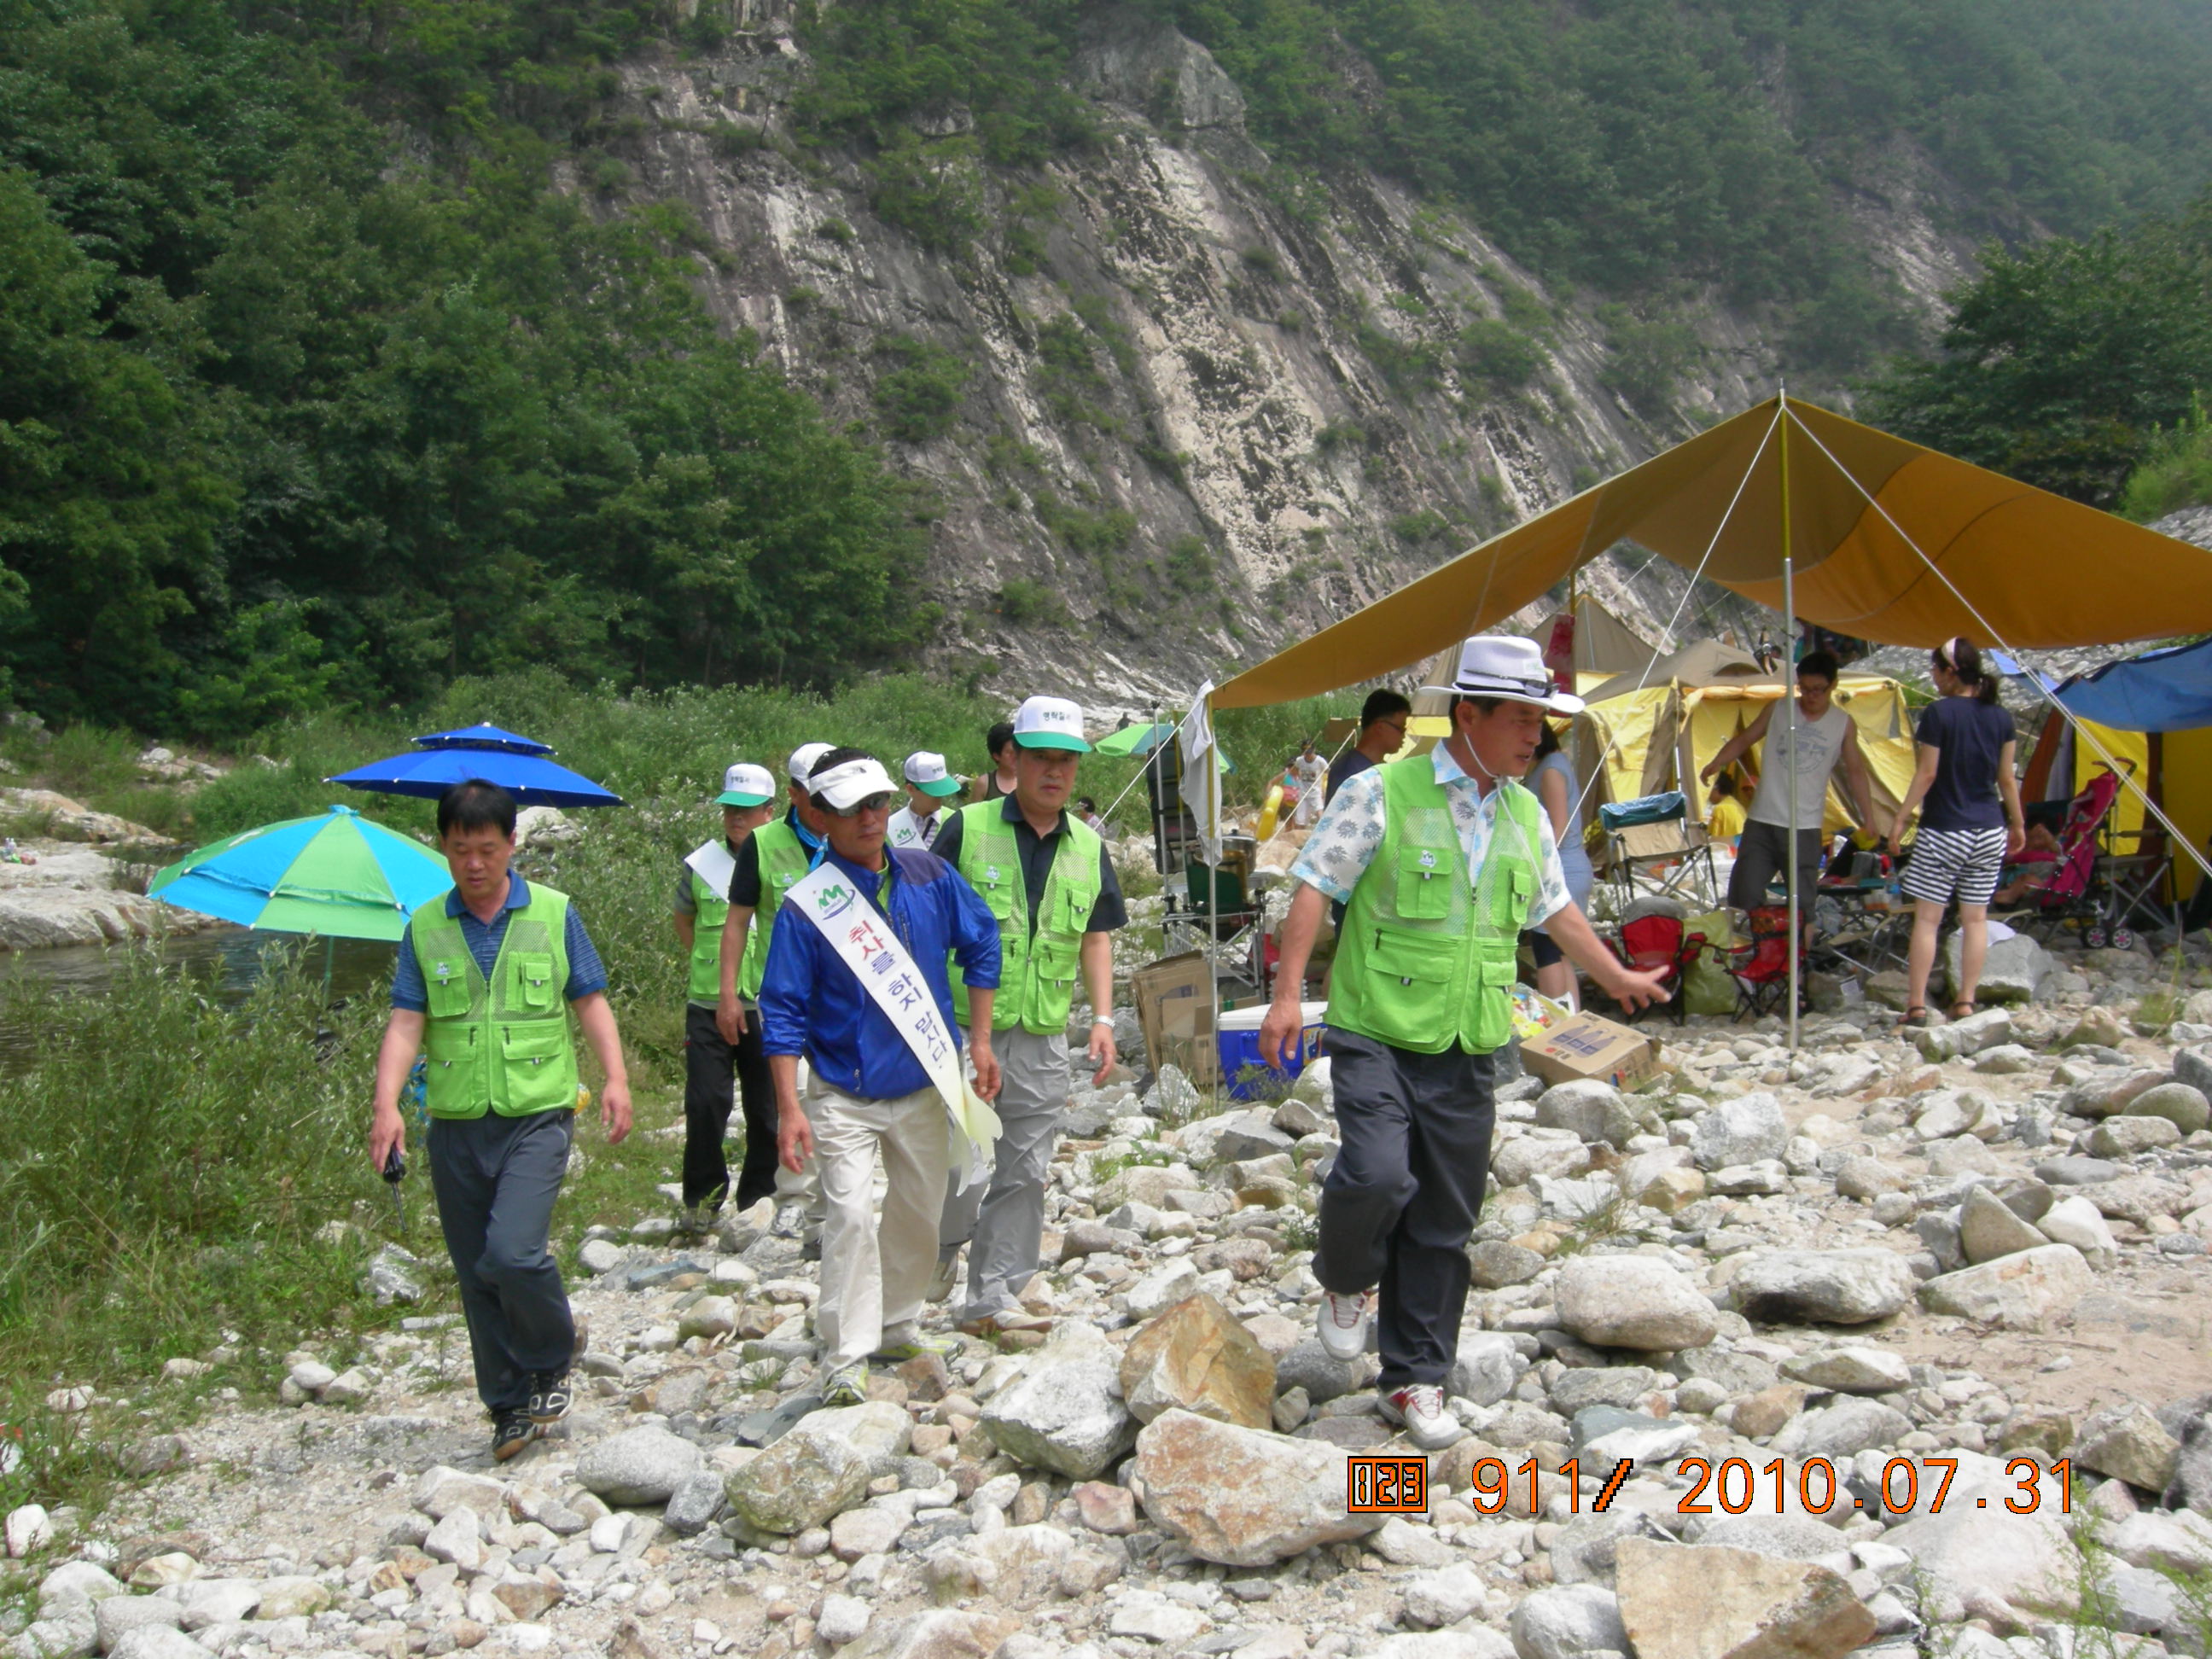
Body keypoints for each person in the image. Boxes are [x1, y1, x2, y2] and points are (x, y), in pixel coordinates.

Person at [1259, 637, 1669, 1452]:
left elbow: (1557, 914)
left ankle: (1414, 1380)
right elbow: (1314, 886)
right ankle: (1344, 1280)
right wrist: (1284, 999)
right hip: (1376, 1027)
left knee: (1445, 1220)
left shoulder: (1524, 813)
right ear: (1467, 716)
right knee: (1376, 1173)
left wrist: (1616, 976)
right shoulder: (1382, 791)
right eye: (1522, 719)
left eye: (1541, 722)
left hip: (1469, 1041)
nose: (1535, 737)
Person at [368, 780, 633, 1462]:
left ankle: (551, 1354)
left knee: (512, 1252)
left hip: (537, 1113)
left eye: (487, 849)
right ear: (444, 849)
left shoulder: (553, 912)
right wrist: (386, 1104)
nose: (475, 864)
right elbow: (405, 1022)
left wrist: (616, 1080)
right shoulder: (425, 926)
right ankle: (508, 1406)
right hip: (454, 1121)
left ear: (513, 845)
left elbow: (590, 999)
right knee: (475, 1272)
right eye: (461, 851)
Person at [757, 750, 1004, 1406]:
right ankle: (845, 1353)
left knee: (918, 1213)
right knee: (847, 1216)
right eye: (851, 809)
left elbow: (982, 941)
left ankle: (897, 1325)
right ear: (819, 817)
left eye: (878, 803)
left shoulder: (929, 874)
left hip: (923, 1082)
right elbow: (781, 1010)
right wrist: (790, 1109)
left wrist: (980, 1040)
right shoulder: (810, 907)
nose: (869, 819)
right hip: (842, 1091)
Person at [930, 695, 1126, 1334]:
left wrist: (1102, 1018)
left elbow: (1096, 936)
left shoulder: (1089, 848)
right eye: (1043, 759)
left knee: (1025, 1167)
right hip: (963, 1028)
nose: (1056, 773)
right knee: (962, 1161)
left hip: (1042, 1033)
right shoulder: (967, 828)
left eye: (1068, 762)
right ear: (1013, 756)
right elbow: (925, 921)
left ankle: (993, 1293)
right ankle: (940, 1246)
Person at [718, 741, 834, 1250]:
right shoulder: (763, 845)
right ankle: (793, 1201)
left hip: (845, 996)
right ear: (793, 793)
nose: (829, 804)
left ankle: (831, 1206)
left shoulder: (856, 836)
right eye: (817, 794)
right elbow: (738, 921)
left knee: (841, 1098)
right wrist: (728, 994)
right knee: (796, 1096)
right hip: (782, 995)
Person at [1888, 637, 2025, 1024]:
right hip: (1988, 829)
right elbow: (2007, 780)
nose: (1932, 677)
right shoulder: (2001, 718)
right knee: (1976, 919)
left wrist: (1901, 818)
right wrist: (2017, 823)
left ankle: (1916, 1005)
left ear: (1950, 673)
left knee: (1928, 919)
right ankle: (1965, 1000)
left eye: (1934, 670)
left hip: (1945, 828)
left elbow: (1927, 773)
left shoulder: (1939, 714)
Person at [673, 763, 779, 1232]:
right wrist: (718, 979)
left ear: (769, 812)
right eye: (730, 810)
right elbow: (685, 921)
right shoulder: (701, 864)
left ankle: (758, 1196)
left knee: (765, 1106)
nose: (736, 818)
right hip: (707, 1002)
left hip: (767, 1002)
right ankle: (702, 1198)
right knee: (705, 1102)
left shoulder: (783, 858)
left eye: (747, 810)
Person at [1701, 650, 1877, 917]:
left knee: (1802, 904)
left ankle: (1799, 955)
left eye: (1818, 689)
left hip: (1803, 826)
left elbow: (1855, 772)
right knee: (1743, 893)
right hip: (1762, 820)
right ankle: (1749, 951)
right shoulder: (1779, 708)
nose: (1811, 696)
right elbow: (1745, 739)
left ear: (1833, 685)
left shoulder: (1842, 723)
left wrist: (1869, 818)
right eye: (1804, 689)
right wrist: (1717, 762)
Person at [1519, 721, 1594, 1007]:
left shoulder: (1550, 770)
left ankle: (1553, 1021)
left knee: (1546, 948)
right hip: (1567, 869)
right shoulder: (1551, 765)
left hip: (1562, 870)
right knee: (1559, 950)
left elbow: (1557, 830)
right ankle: (1570, 1020)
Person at [1328, 690, 1412, 805]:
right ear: (1380, 727)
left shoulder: (1373, 767)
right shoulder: (1351, 771)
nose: (1403, 735)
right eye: (1401, 728)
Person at [888, 751, 960, 851]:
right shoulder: (891, 826)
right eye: (933, 790)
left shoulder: (955, 821)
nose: (940, 795)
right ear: (910, 789)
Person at [1290, 740, 1329, 828]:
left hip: (1315, 792)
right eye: (1306, 752)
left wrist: (1324, 787)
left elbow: (1328, 772)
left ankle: (1323, 831)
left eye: (1309, 752)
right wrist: (1298, 779)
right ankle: (1299, 835)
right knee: (1300, 820)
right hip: (1303, 792)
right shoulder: (1300, 760)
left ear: (1314, 750)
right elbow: (1293, 772)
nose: (1308, 755)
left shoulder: (1320, 761)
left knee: (1320, 813)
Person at [980, 721, 1019, 802]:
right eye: (1010, 753)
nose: (1016, 756)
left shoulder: (1029, 781)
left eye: (1019, 750)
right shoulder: (984, 784)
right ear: (996, 756)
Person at [1706, 772, 1748, 847]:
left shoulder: (1721, 809)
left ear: (1716, 788)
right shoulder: (1734, 804)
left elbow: (1714, 843)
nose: (1707, 794)